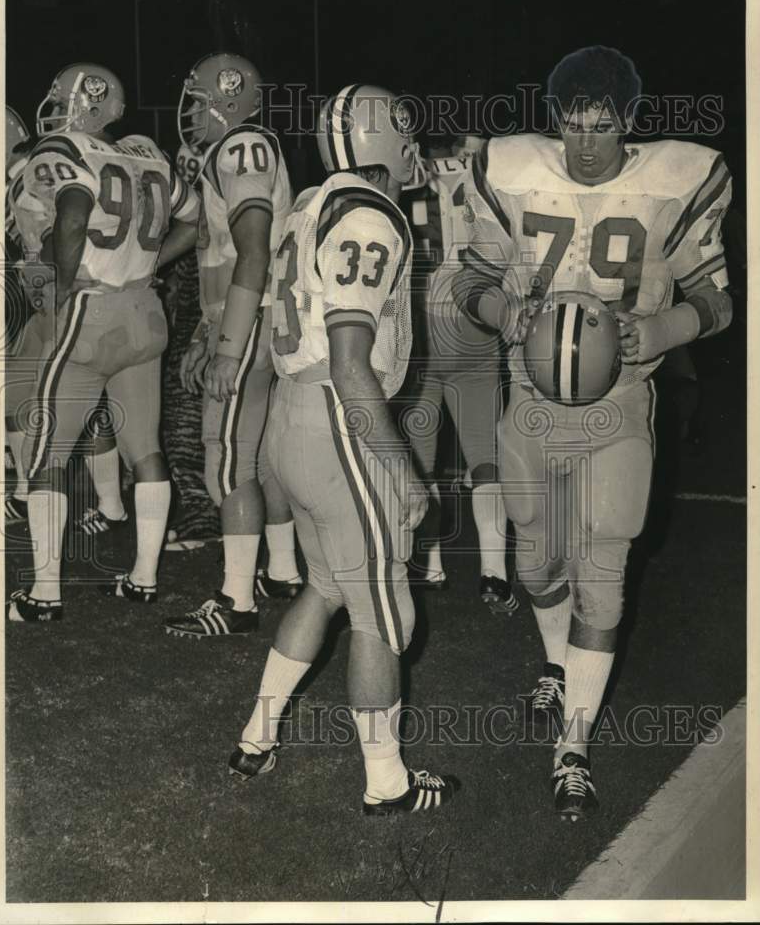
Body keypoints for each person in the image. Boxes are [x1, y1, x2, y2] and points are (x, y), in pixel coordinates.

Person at [453, 45, 733, 819]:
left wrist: (666, 325)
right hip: (531, 399)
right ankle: (553, 663)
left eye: (601, 127)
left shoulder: (675, 181)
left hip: (619, 404)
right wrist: (500, 311)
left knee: (601, 563)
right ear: (554, 123)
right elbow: (469, 276)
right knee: (536, 558)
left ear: (631, 123)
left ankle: (571, 748)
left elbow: (716, 297)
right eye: (572, 126)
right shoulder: (508, 169)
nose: (584, 145)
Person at [229, 85, 459, 815]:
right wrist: (402, 470)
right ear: (385, 138)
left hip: (294, 418)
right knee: (384, 612)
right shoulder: (369, 215)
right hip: (340, 420)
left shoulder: (307, 204)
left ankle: (255, 737)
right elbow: (356, 362)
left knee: (326, 586)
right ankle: (385, 780)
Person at [6, 63, 198, 622]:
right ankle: (143, 579)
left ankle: (44, 594)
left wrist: (63, 290)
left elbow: (71, 219)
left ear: (80, 103)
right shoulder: (147, 153)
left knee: (47, 453)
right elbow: (197, 222)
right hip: (145, 310)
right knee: (148, 448)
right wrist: (146, 265)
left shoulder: (68, 149)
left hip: (92, 312)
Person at [163, 53, 302, 640]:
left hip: (252, 317)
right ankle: (284, 570)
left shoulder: (240, 146)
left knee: (227, 460)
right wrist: (205, 333)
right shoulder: (238, 149)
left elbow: (251, 250)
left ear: (224, 99)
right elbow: (220, 258)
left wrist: (227, 347)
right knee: (262, 456)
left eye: (198, 100)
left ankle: (236, 601)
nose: (190, 111)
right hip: (252, 316)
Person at [400, 135, 516, 612]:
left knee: (419, 452)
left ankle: (428, 561)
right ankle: (494, 571)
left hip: (421, 320)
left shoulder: (405, 170)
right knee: (484, 453)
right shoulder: (483, 171)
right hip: (472, 320)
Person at [4, 105, 128, 535]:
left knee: (27, 392)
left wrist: (49, 284)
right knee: (85, 402)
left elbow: (58, 230)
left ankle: (27, 494)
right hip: (103, 292)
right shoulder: (87, 160)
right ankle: (109, 505)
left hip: (61, 290)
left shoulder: (35, 167)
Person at [160, 142, 222, 552]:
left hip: (205, 326)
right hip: (202, 324)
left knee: (186, 430)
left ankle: (204, 518)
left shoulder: (212, 217)